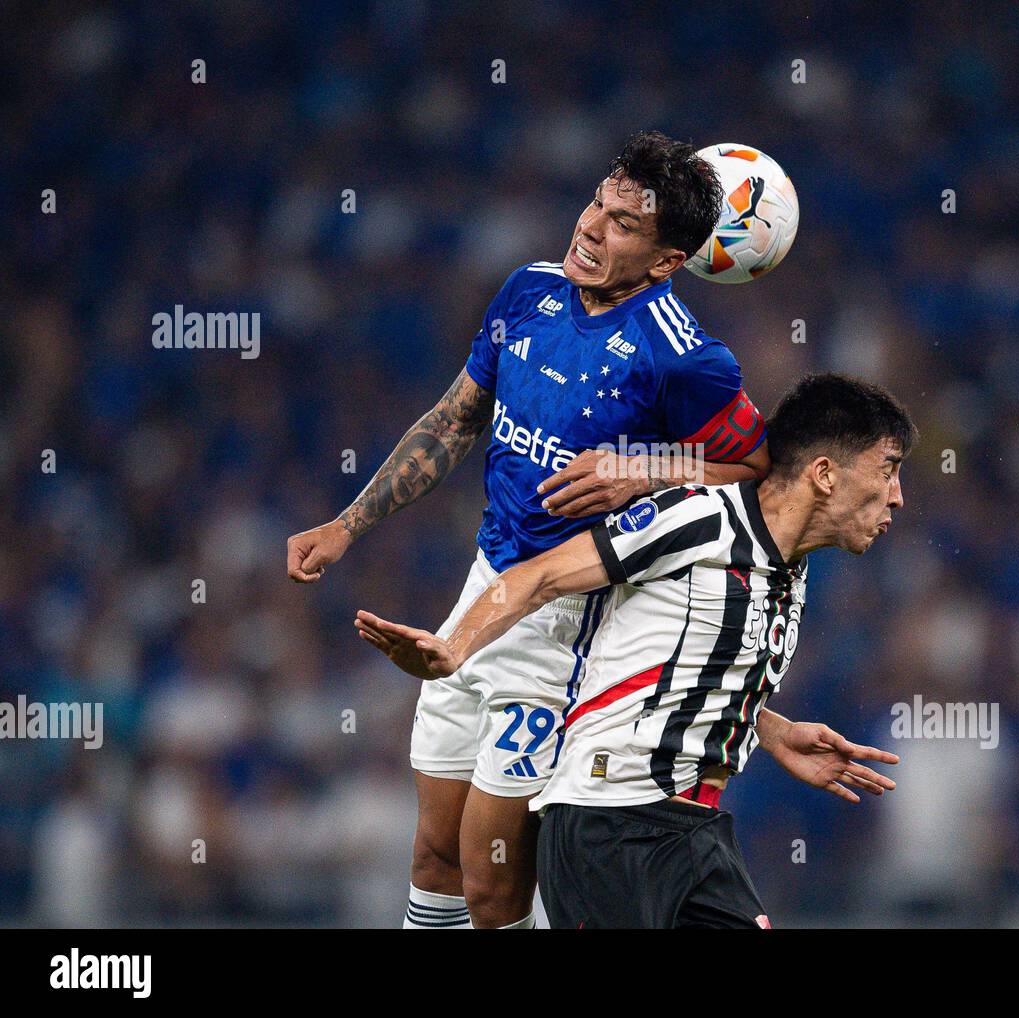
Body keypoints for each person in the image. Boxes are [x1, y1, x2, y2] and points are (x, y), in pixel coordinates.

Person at [288, 131, 770, 929]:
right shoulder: (527, 292)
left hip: (569, 621)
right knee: (435, 853)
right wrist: (348, 525)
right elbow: (454, 420)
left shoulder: (687, 359)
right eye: (597, 203)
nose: (591, 227)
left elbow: (756, 469)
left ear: (666, 261)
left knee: (491, 873)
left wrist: (648, 467)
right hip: (482, 590)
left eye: (622, 225)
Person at [356, 373, 915, 927]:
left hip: (692, 832)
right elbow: (539, 576)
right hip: (612, 823)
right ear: (824, 474)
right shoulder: (699, 519)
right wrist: (453, 648)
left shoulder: (792, 566)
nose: (897, 495)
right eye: (887, 470)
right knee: (468, 877)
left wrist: (765, 729)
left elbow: (670, 661)